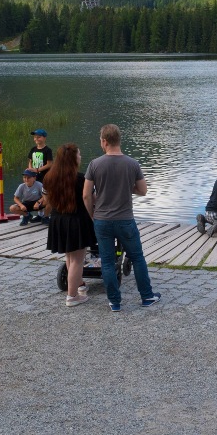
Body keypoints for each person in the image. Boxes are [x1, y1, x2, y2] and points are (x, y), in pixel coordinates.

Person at [83, 123, 159, 311]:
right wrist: (127, 187)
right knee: (138, 258)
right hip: (125, 219)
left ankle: (115, 302)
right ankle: (147, 297)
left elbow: (86, 195)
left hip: (102, 220)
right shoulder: (132, 163)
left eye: (101, 141)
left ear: (104, 141)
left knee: (107, 261)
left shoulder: (94, 164)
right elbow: (143, 191)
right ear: (119, 140)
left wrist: (93, 215)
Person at [43, 143, 97, 307]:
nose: (80, 157)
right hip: (77, 221)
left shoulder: (49, 178)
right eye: (79, 155)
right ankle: (72, 296)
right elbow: (92, 198)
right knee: (77, 260)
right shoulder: (81, 179)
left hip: (58, 220)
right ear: (73, 159)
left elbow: (46, 201)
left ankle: (79, 285)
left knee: (69, 256)